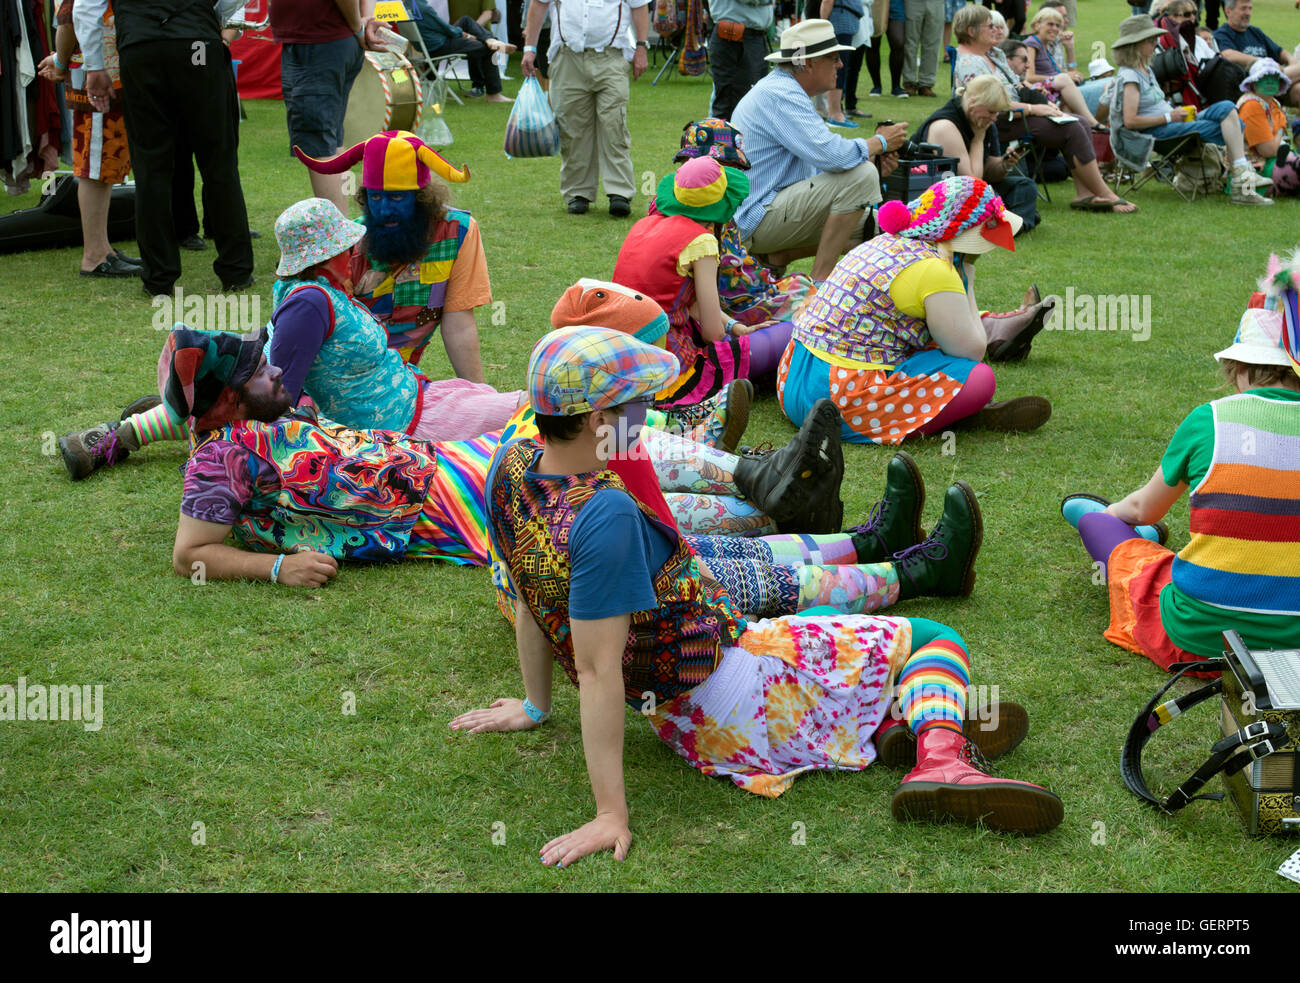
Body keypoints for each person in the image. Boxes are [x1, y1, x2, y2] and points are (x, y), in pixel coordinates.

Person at [451, 323, 1064, 868]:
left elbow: (530, 599)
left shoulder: (514, 466)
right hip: (736, 703)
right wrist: (611, 815)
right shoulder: (603, 512)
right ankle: (941, 761)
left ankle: (893, 721)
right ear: (595, 422)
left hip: (687, 704)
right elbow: (596, 669)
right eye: (636, 403)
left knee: (821, 619)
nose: (648, 413)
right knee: (935, 638)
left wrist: (535, 706)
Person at [1060, 287, 1300, 670]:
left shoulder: (1211, 420)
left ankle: (1124, 531)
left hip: (1200, 635)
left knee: (1095, 522)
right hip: (1295, 650)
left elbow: (1143, 506)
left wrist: (1114, 515)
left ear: (1239, 369)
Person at [777, 176, 1056, 445]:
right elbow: (972, 351)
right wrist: (966, 273)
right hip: (836, 401)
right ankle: (940, 413)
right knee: (979, 378)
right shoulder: (936, 269)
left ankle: (944, 405)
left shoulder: (884, 242)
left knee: (934, 341)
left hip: (793, 379)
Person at [73, 0, 255, 297]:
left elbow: (85, 7)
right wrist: (213, 16)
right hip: (195, 41)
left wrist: (94, 65)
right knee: (218, 163)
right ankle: (235, 269)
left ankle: (159, 277)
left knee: (151, 167)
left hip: (143, 45)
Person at [294, 130, 498, 384]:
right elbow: (324, 339)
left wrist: (477, 395)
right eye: (375, 197)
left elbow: (459, 323)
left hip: (401, 381)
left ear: (423, 199)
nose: (383, 210)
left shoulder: (458, 233)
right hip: (341, 380)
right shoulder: (349, 248)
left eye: (397, 197)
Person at [730, 19, 908, 281]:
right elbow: (833, 156)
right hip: (755, 218)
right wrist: (879, 142)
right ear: (809, 63)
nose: (840, 65)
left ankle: (782, 256)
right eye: (834, 57)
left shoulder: (785, 90)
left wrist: (872, 158)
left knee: (879, 225)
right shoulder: (781, 94)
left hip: (763, 214)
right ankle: (820, 284)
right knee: (862, 176)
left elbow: (822, 165)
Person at [613, 157, 796, 406]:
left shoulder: (645, 224)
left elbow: (681, 301)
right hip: (664, 360)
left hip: (621, 351)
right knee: (789, 332)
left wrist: (736, 327)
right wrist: (733, 335)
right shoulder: (701, 241)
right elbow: (712, 332)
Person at [953, 3, 1137, 212]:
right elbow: (988, 104)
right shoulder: (969, 63)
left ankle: (1084, 193)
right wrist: (1033, 109)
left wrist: (1043, 102)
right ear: (971, 31)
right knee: (1071, 128)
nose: (996, 29)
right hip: (994, 121)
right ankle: (1104, 194)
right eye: (989, 26)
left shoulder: (993, 54)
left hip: (1016, 114)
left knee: (1080, 122)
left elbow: (1018, 84)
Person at [671, 118, 817, 333]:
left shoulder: (716, 209)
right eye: (725, 168)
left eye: (735, 169)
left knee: (805, 285)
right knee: (817, 307)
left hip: (752, 294)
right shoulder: (697, 221)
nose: (732, 176)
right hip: (734, 310)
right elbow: (722, 290)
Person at [1110, 14, 1271, 206]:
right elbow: (1131, 121)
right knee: (1231, 126)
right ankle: (1241, 179)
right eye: (1150, 40)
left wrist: (1178, 112)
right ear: (1135, 45)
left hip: (1173, 122)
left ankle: (1239, 174)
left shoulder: (1146, 69)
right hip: (1157, 134)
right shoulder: (1130, 76)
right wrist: (1170, 116)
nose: (1155, 43)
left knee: (1228, 108)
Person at [37, 0, 143, 279]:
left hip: (103, 73)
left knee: (103, 166)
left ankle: (103, 248)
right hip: (95, 79)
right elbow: (70, 20)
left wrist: (61, 60)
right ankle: (94, 255)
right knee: (94, 165)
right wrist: (60, 61)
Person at [520, 0, 651, 217]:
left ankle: (619, 192)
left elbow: (640, 7)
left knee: (613, 125)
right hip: (566, 56)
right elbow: (538, 4)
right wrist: (529, 49)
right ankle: (577, 193)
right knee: (571, 127)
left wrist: (641, 47)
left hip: (611, 56)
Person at [266, 0, 385, 214]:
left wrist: (360, 26)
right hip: (324, 41)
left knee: (318, 143)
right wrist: (364, 22)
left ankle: (338, 240)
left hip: (319, 43)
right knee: (329, 141)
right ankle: (343, 234)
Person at [915, 75, 1039, 230]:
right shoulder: (945, 126)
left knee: (1025, 186)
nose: (994, 118)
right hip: (939, 195)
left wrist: (1004, 164)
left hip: (966, 192)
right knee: (990, 195)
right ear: (973, 102)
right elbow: (972, 184)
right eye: (991, 112)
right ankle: (1006, 224)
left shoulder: (983, 122)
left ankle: (1010, 226)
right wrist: (978, 140)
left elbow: (987, 170)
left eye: (997, 113)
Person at [412, 1, 516, 103]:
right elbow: (446, 29)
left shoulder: (409, 5)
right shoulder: (424, 9)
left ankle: (489, 39)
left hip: (428, 46)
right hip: (439, 45)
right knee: (488, 48)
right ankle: (494, 95)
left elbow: (441, 28)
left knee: (465, 20)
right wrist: (466, 35)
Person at [1021, 5, 1106, 129]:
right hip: (1039, 91)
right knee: (1065, 80)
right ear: (1037, 25)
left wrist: (1069, 48)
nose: (1055, 28)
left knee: (1068, 105)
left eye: (1058, 25)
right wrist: (1063, 77)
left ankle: (1079, 133)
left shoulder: (1046, 47)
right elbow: (1029, 77)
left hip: (1057, 92)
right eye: (1050, 24)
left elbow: (1070, 74)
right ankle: (1092, 122)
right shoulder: (1032, 44)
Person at [1214, 0, 1300, 107]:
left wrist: (1293, 61)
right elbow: (1228, 54)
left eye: (1250, 9)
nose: (1248, 13)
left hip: (1275, 84)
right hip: (1252, 85)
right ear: (1228, 11)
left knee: (1298, 90)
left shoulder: (1254, 32)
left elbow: (1280, 52)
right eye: (1243, 8)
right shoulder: (1222, 34)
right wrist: (1263, 62)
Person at [1236, 59, 1300, 196]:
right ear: (1253, 83)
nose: (1270, 82)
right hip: (1256, 173)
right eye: (1264, 78)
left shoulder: (1273, 103)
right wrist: (1280, 130)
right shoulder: (1251, 105)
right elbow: (1268, 150)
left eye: (1274, 78)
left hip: (1275, 163)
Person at [706, 0, 774, 120]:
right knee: (731, 106)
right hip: (735, 40)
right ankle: (723, 138)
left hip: (751, 38)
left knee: (754, 102)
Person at [823, 0, 867, 124]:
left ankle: (836, 112)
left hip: (844, 20)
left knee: (839, 68)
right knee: (837, 68)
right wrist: (823, 24)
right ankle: (834, 114)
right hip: (839, 21)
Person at [902, 0, 943, 97]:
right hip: (913, 3)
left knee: (933, 43)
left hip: (936, 3)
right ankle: (909, 82)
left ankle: (926, 84)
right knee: (910, 42)